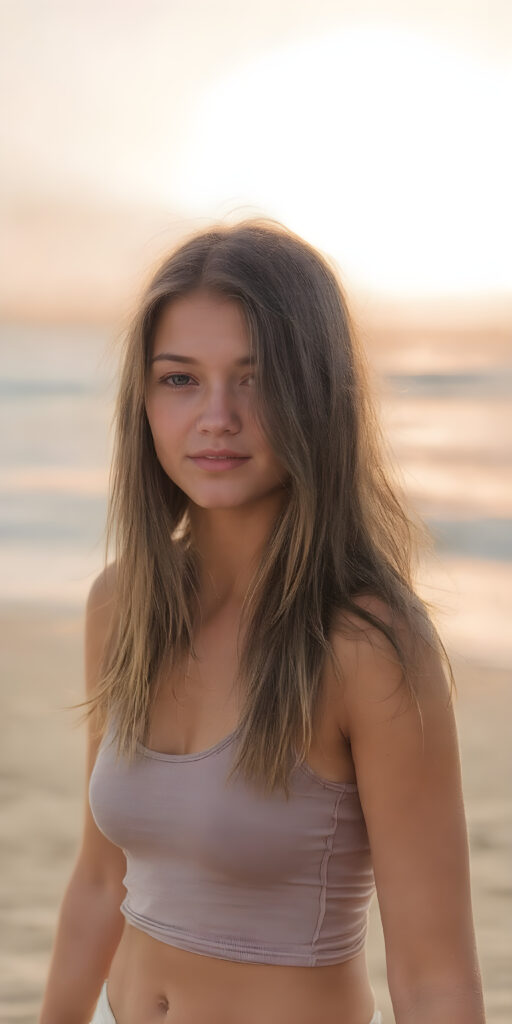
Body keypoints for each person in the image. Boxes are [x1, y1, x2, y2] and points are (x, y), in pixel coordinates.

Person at [38, 219, 486, 1024]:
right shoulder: (122, 606)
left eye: (256, 378)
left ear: (316, 394)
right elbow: (102, 882)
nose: (217, 415)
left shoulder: (367, 645)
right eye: (180, 379)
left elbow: (434, 977)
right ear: (143, 401)